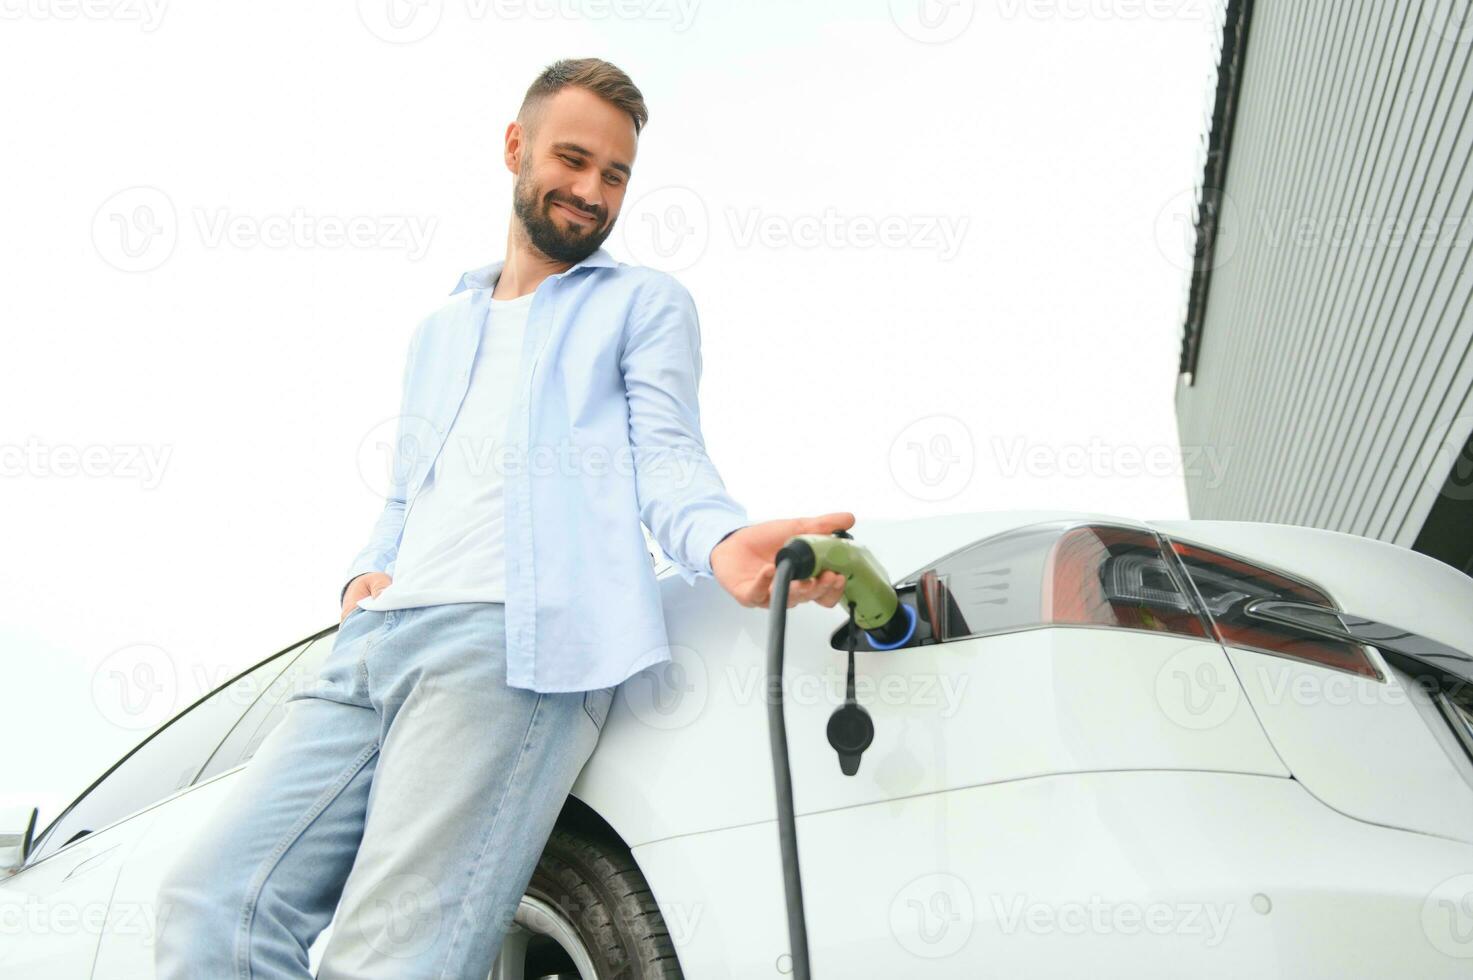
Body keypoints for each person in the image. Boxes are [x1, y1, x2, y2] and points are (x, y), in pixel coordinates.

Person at [152, 57, 851, 978]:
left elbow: (667, 460)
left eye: (615, 175)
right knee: (212, 902)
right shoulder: (441, 328)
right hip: (372, 647)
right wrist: (368, 570)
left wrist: (720, 543)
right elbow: (410, 490)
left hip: (507, 649)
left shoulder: (642, 306)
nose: (591, 191)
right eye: (573, 159)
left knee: (388, 955)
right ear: (516, 147)